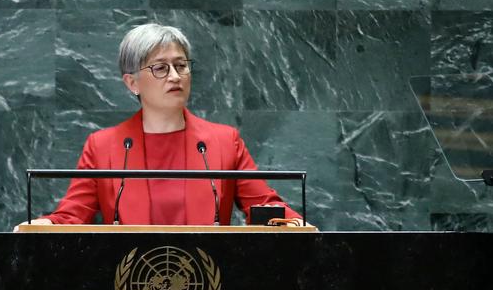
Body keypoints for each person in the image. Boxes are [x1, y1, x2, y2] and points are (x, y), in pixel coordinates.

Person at [17, 23, 304, 228]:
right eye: (160, 68)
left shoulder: (223, 141)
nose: (175, 76)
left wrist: (293, 222)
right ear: (132, 83)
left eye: (181, 65)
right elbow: (73, 215)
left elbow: (263, 206)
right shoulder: (103, 146)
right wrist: (44, 223)